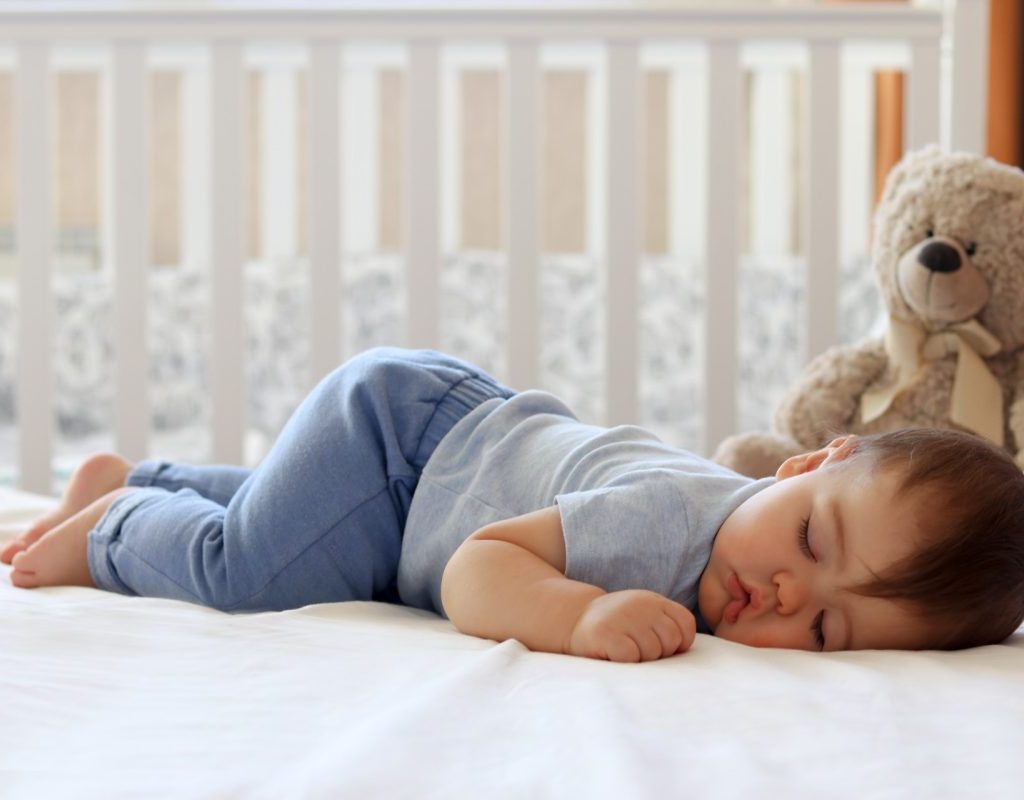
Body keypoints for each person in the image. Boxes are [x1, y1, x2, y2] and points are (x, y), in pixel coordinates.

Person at [4, 348, 1023, 661]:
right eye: (808, 537)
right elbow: (474, 569)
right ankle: (114, 530)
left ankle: (140, 478)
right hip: (397, 443)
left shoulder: (741, 553)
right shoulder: (671, 517)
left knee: (320, 533)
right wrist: (576, 612)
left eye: (829, 625)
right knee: (259, 571)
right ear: (803, 466)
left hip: (421, 476)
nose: (784, 589)